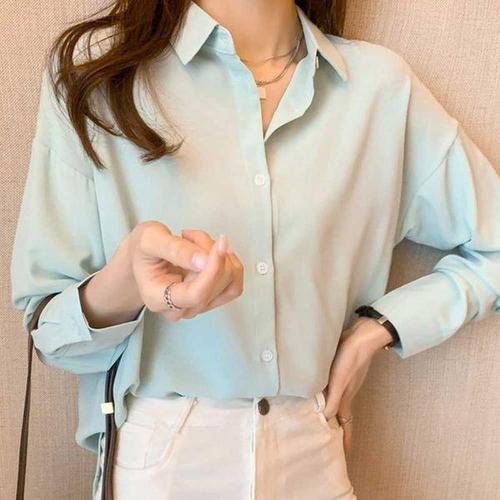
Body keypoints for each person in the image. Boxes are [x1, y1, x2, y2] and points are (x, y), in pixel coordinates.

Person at [10, 0, 500, 498]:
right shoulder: (96, 76)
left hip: (312, 452)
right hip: (166, 461)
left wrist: (379, 328)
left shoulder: (379, 89)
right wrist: (129, 281)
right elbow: (51, 334)